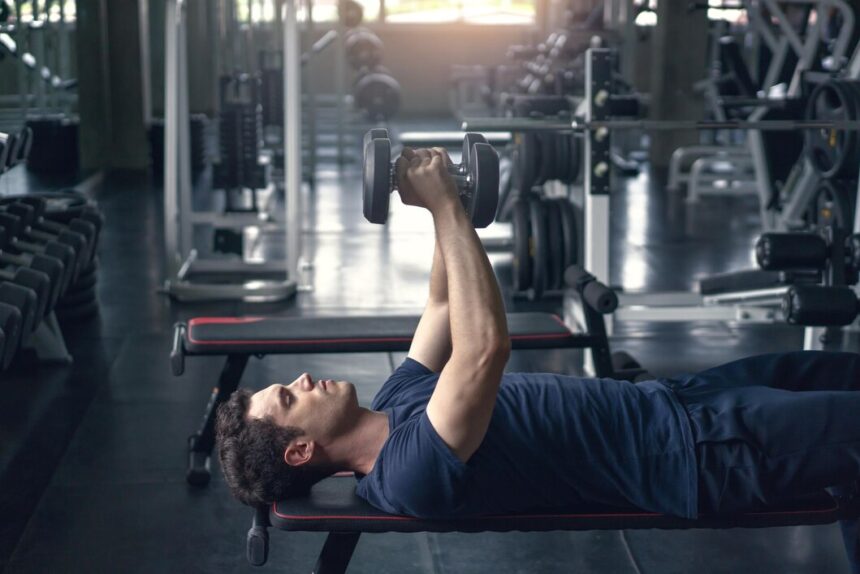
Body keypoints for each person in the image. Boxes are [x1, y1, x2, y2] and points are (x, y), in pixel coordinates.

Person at [215, 147, 860, 525]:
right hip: (702, 453)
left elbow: (442, 302)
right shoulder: (405, 473)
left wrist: (448, 203)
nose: (301, 379)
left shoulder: (398, 400)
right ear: (300, 453)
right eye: (290, 397)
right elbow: (483, 349)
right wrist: (445, 206)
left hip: (681, 403)